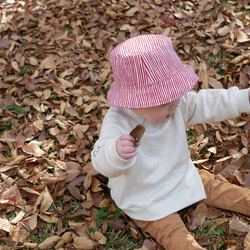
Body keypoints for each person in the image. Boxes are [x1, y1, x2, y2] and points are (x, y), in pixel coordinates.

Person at [91, 34, 250, 249]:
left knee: (219, 189)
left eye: (176, 94)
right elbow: (100, 157)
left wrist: (243, 99)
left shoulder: (175, 105)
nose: (175, 104)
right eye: (165, 101)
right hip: (146, 197)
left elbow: (207, 103)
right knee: (173, 234)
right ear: (135, 101)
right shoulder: (119, 121)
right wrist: (116, 153)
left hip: (181, 177)